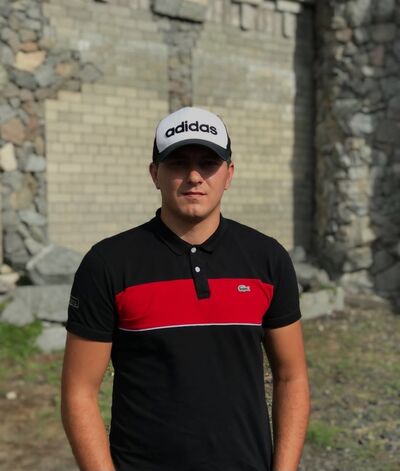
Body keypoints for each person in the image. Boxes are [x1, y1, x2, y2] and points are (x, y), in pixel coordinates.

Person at [61, 106, 310, 471]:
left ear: (229, 174)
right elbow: (79, 392)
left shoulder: (267, 259)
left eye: (208, 163)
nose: (194, 176)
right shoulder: (108, 263)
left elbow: (292, 376)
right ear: (154, 174)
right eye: (178, 163)